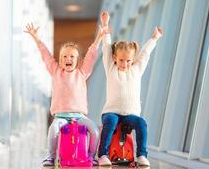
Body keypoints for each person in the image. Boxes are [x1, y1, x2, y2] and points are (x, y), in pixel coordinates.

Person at [24, 23, 102, 166]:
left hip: (79, 116)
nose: (68, 58)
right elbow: (46, 55)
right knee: (53, 129)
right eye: (65, 56)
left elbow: (91, 56)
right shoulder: (56, 71)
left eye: (72, 56)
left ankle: (91, 156)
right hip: (60, 117)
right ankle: (51, 156)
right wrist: (36, 38)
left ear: (78, 60)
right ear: (60, 60)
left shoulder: (82, 73)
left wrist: (99, 38)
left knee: (95, 131)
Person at [97, 11, 163, 166]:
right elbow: (106, 48)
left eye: (128, 61)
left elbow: (145, 54)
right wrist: (105, 26)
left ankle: (141, 155)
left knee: (141, 123)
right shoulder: (111, 68)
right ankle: (103, 155)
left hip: (130, 115)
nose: (124, 64)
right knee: (111, 121)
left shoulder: (136, 70)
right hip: (111, 111)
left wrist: (154, 38)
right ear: (115, 58)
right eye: (121, 60)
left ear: (132, 60)